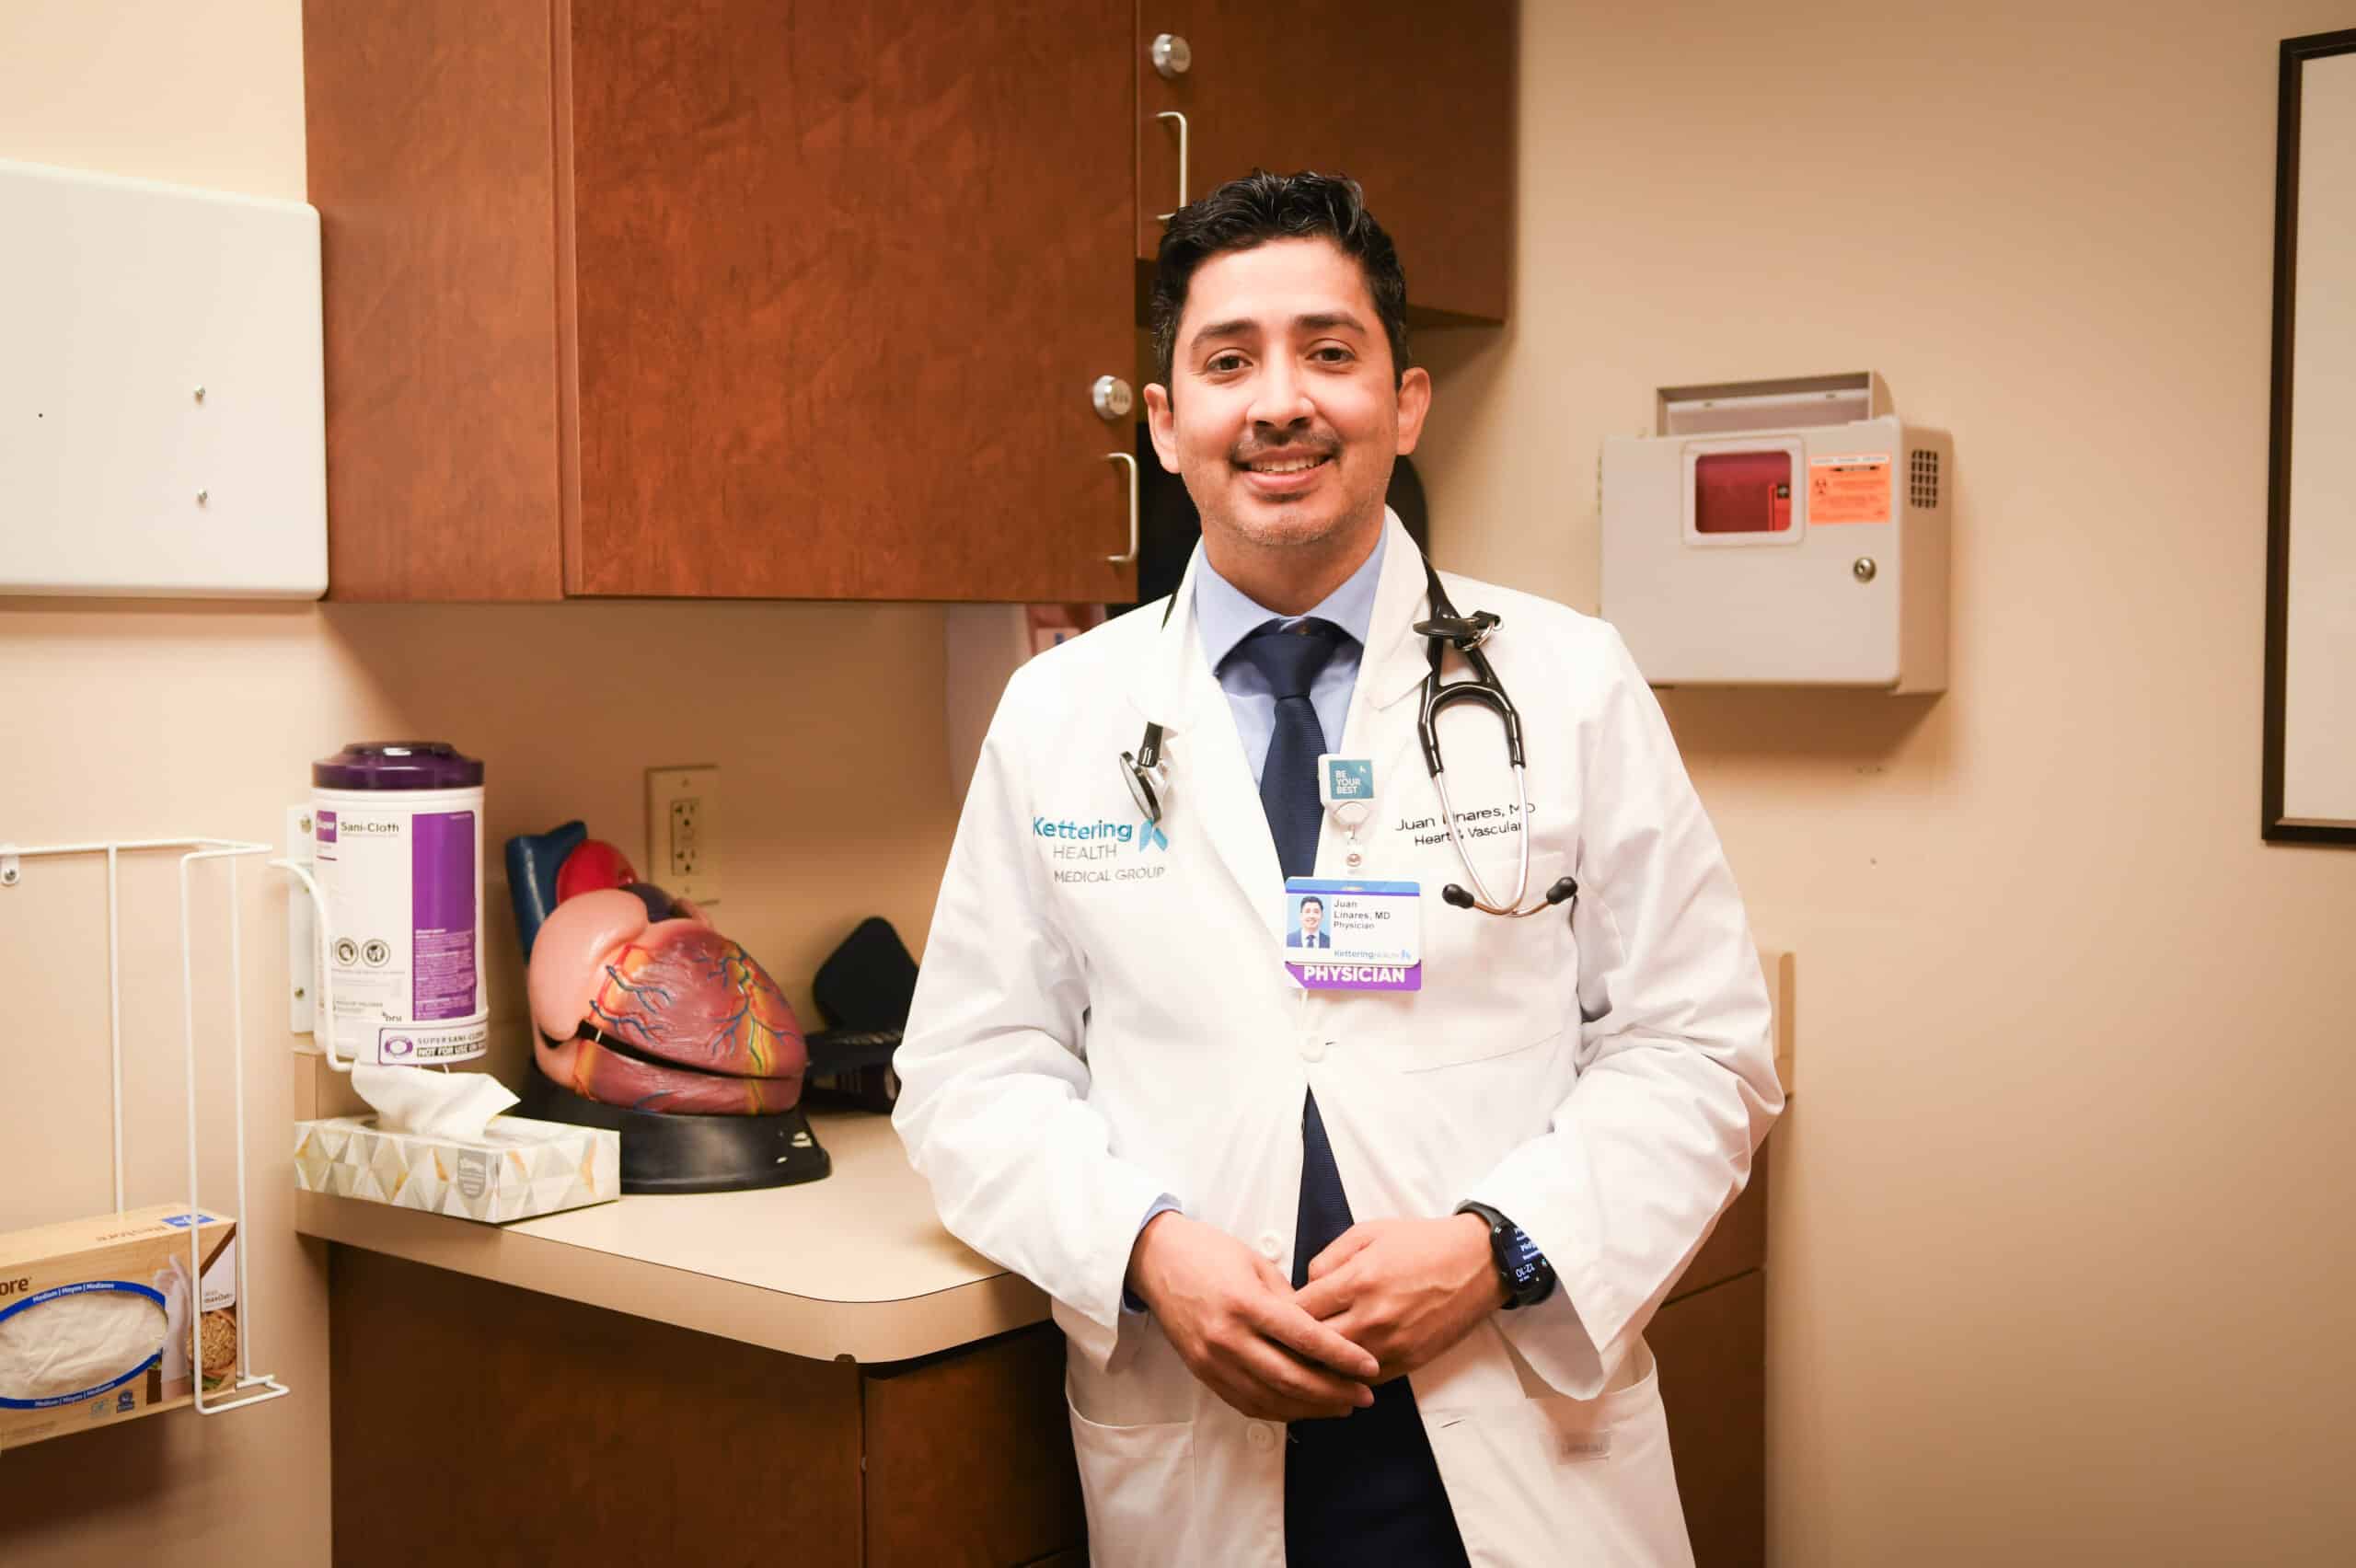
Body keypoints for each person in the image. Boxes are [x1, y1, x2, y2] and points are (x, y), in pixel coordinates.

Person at [894, 171, 1782, 1568]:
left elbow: (1701, 1051)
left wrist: (1502, 1247)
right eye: (1227, 360)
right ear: (1165, 420)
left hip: (1513, 1415)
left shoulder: (1570, 682)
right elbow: (970, 1069)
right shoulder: (1060, 712)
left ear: (1405, 400)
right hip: (1200, 1432)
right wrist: (1143, 1248)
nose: (1280, 402)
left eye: (1328, 350)